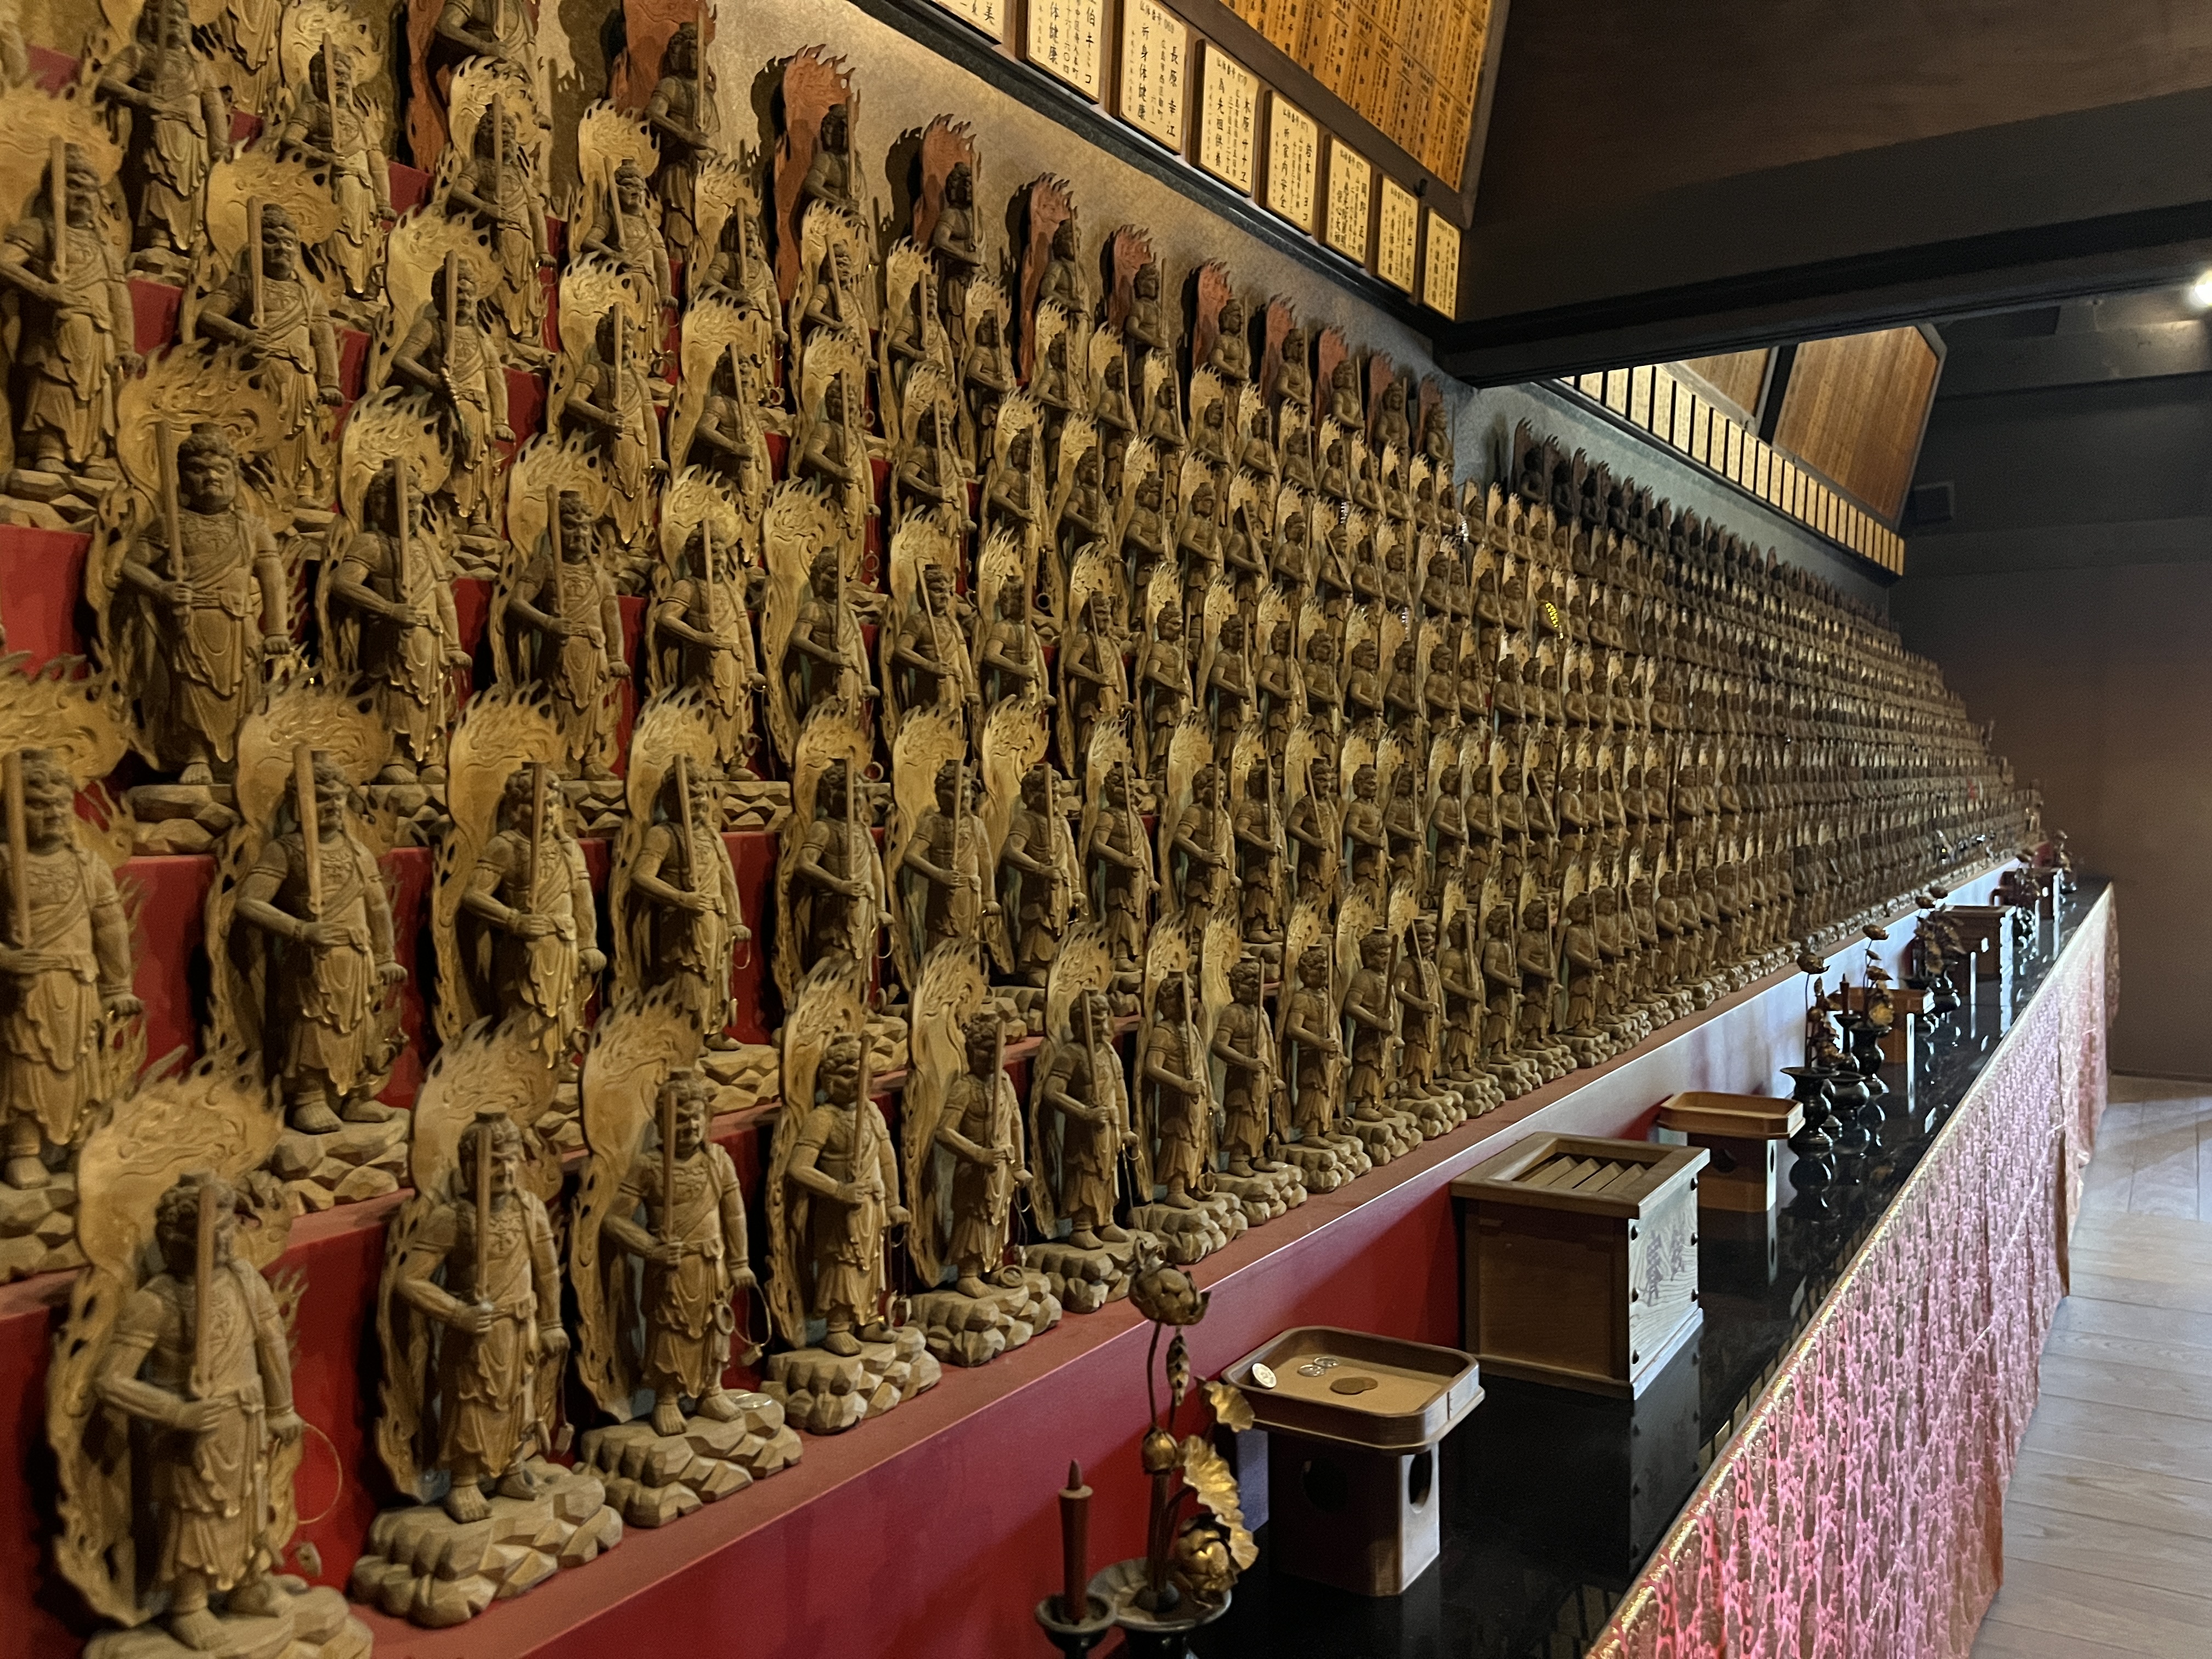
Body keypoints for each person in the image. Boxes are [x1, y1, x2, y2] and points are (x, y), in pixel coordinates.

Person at [96, 1176, 302, 1649]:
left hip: (245, 1418)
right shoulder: (157, 1301)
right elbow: (110, 1382)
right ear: (178, 1240)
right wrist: (174, 1411)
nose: (226, 1239)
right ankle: (188, 1602)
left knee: (250, 1501)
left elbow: (271, 1343)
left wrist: (283, 1407)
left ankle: (247, 1584)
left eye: (230, 1227)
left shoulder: (247, 1282)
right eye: (214, 1231)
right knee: (192, 1516)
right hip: (190, 1432)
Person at [0, 752, 137, 1188]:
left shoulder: (88, 865)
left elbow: (110, 926)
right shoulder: (4, 863)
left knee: (82, 1067)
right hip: (25, 989)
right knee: (26, 1067)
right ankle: (22, 1148)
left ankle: (81, 1141)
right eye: (38, 804)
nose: (54, 813)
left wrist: (118, 986)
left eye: (60, 803)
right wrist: (6, 959)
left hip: (80, 986)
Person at [602, 1073, 753, 1435]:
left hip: (711, 1263)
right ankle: (667, 1397)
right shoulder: (650, 1166)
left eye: (696, 1116)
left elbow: (734, 1213)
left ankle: (711, 1389)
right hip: (671, 1269)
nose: (690, 1125)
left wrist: (740, 1261)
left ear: (708, 1118)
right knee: (670, 1332)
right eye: (680, 1118)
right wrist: (651, 1248)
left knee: (714, 1327)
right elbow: (614, 1221)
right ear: (662, 1123)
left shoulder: (717, 1159)